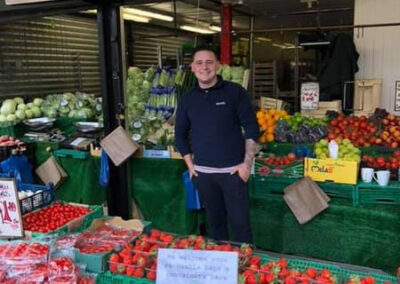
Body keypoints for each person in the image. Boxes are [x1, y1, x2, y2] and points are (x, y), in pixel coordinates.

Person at [175, 47, 260, 243]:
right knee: (216, 226)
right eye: (199, 63)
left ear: (218, 66)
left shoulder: (235, 92)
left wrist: (246, 164)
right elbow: (179, 135)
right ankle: (222, 269)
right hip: (203, 175)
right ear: (193, 68)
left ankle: (245, 268)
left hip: (233, 174)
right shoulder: (188, 99)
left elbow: (252, 128)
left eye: (209, 62)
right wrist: (190, 166)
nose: (204, 67)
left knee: (241, 228)